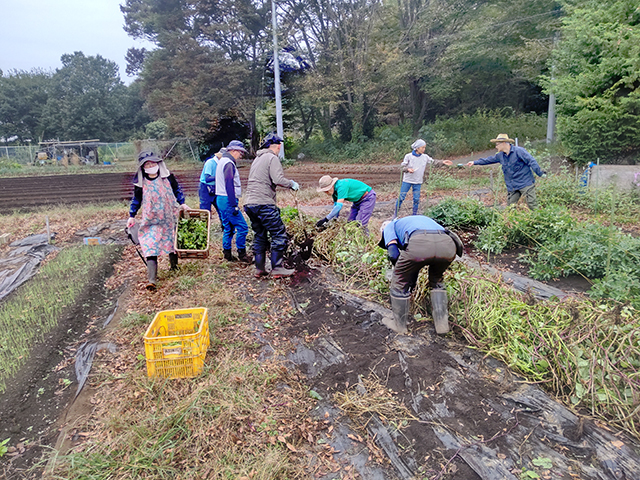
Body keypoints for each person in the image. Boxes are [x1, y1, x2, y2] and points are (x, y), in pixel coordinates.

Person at [378, 215, 462, 333]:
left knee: (399, 280)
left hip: (420, 244)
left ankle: (399, 325)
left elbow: (393, 254)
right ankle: (442, 326)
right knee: (437, 280)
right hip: (447, 245)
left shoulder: (388, 227)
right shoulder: (416, 221)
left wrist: (402, 273)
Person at [126, 151, 190, 291]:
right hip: (151, 219)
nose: (150, 166)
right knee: (150, 245)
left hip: (169, 217)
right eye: (147, 164)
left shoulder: (168, 177)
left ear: (158, 164)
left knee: (171, 241)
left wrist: (182, 203)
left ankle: (174, 267)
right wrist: (132, 215)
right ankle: (152, 280)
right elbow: (137, 199)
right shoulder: (141, 183)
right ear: (143, 167)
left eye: (152, 163)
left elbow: (177, 190)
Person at [244, 133, 300, 278]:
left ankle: (259, 268)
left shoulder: (257, 159)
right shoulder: (272, 157)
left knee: (260, 235)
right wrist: (291, 184)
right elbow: (278, 179)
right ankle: (277, 268)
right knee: (278, 233)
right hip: (264, 203)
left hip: (250, 203)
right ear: (278, 146)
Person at [466, 133, 546, 210]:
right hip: (512, 186)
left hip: (525, 183)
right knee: (510, 207)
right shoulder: (500, 155)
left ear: (503, 143)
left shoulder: (519, 151)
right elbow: (488, 160)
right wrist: (474, 162)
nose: (496, 147)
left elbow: (531, 161)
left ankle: (541, 221)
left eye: (497, 144)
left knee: (532, 205)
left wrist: (540, 173)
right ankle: (512, 223)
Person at [215, 140, 251, 263]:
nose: (241, 155)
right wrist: (234, 205)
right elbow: (229, 184)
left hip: (220, 198)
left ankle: (227, 254)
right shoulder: (229, 163)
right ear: (234, 151)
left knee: (228, 227)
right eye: (240, 153)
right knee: (242, 227)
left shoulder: (222, 161)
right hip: (227, 199)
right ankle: (242, 254)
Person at [397, 139, 452, 215]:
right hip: (407, 180)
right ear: (417, 148)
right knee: (402, 197)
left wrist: (442, 162)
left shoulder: (425, 157)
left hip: (418, 181)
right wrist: (408, 169)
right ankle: (395, 214)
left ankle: (414, 215)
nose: (424, 149)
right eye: (422, 147)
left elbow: (433, 162)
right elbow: (402, 167)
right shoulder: (408, 156)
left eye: (424, 147)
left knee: (416, 199)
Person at [198, 148, 225, 224]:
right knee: (205, 210)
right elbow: (207, 178)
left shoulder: (222, 164)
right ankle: (204, 229)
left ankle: (225, 228)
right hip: (205, 188)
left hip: (216, 187)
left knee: (221, 208)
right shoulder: (210, 163)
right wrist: (220, 176)